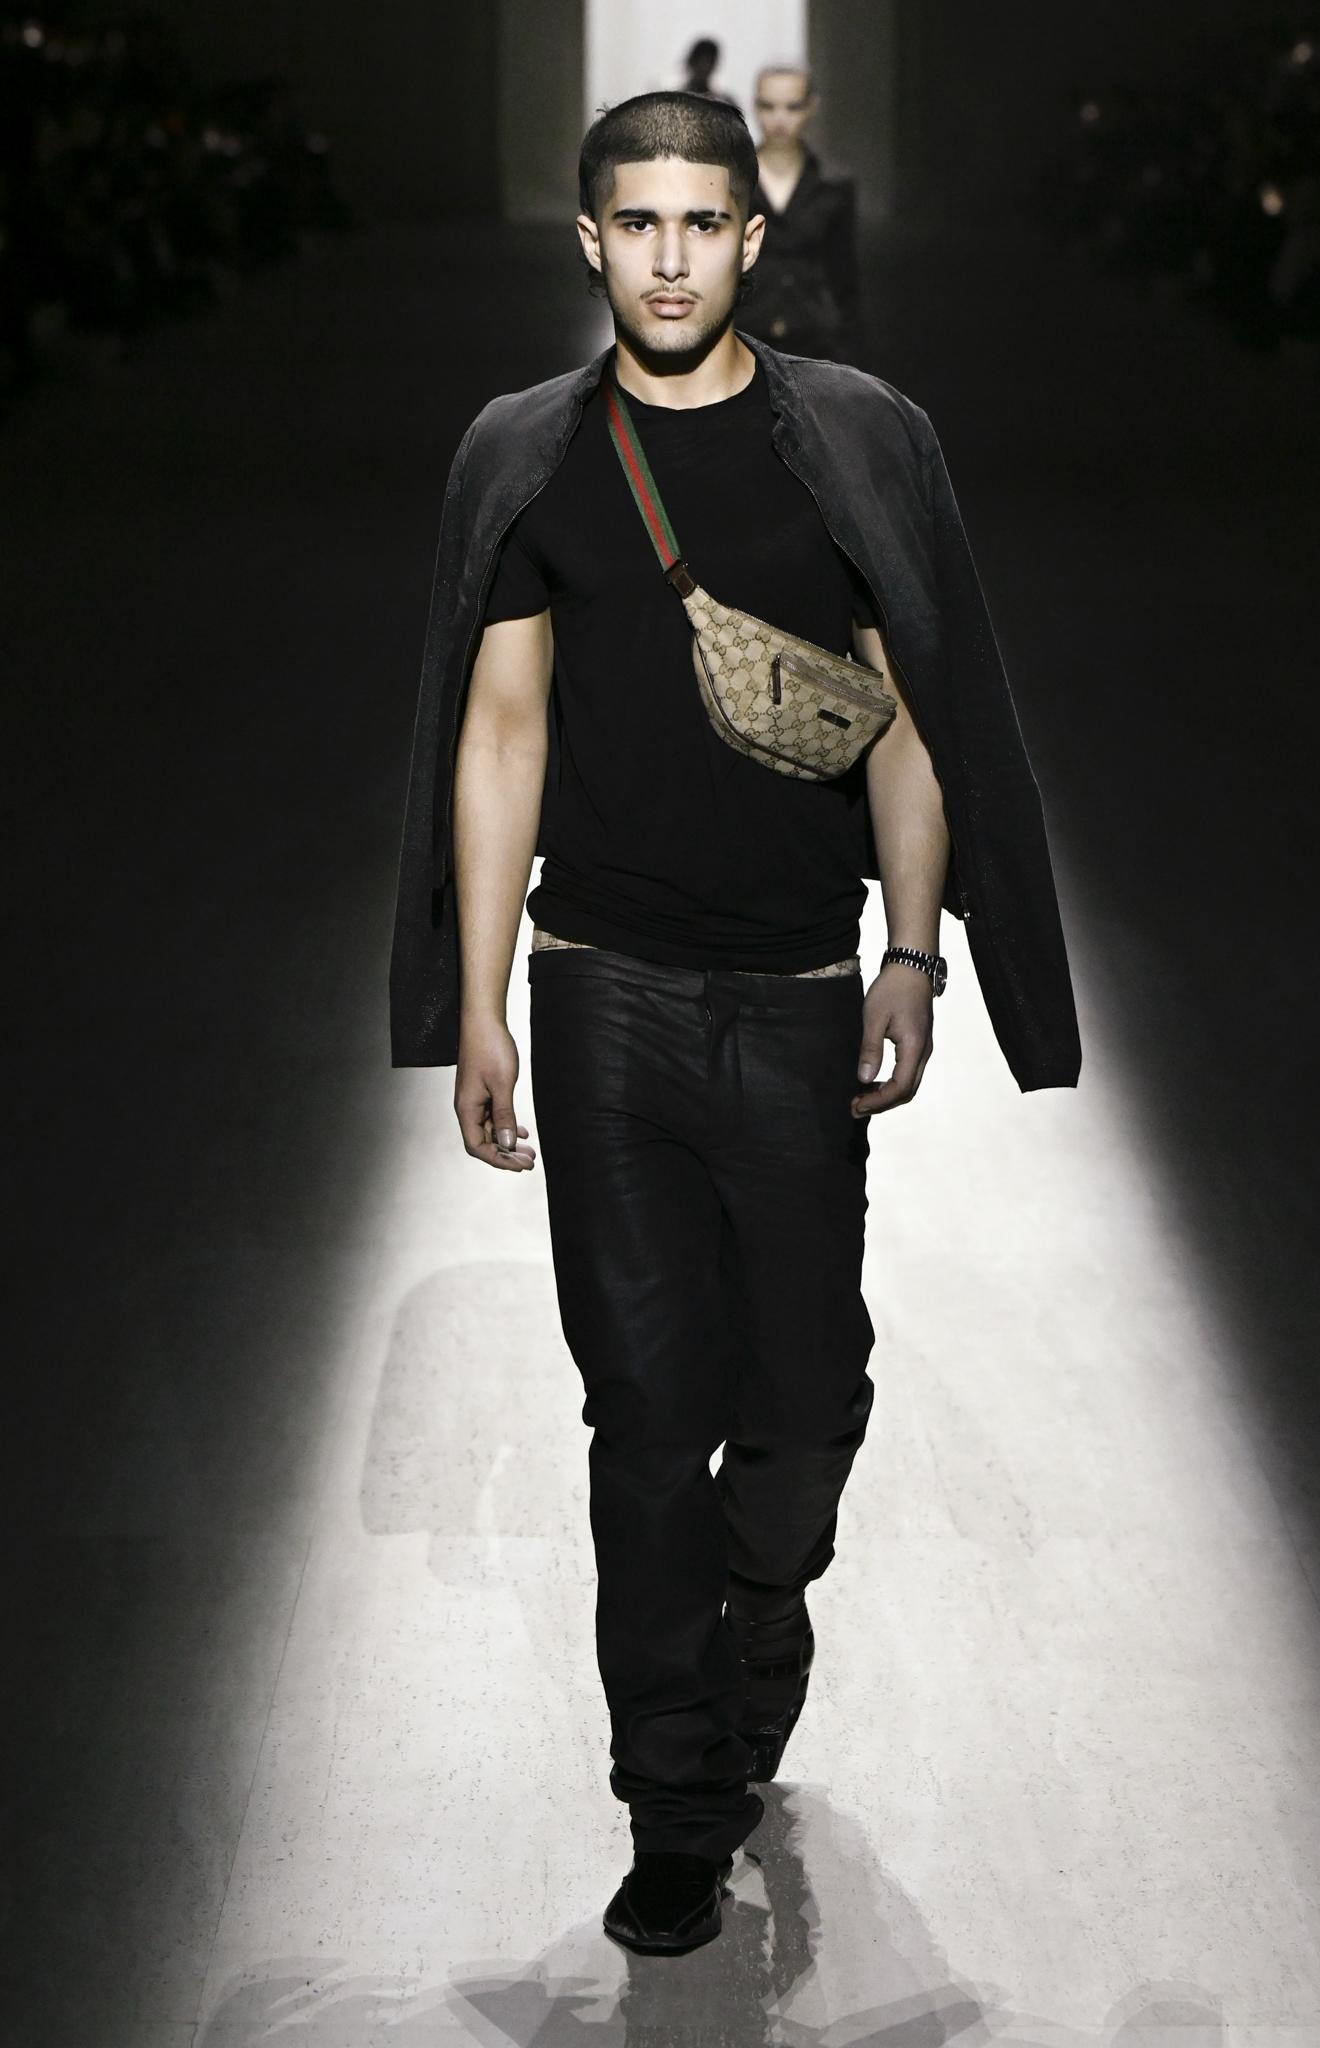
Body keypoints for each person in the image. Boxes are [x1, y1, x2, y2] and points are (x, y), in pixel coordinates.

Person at [388, 90, 1080, 1959]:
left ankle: (761, 1616)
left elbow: (909, 714)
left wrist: (914, 952)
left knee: (804, 1403)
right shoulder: (529, 455)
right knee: (642, 1417)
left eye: (706, 222)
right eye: (641, 224)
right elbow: (499, 731)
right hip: (599, 987)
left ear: (755, 237)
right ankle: (675, 1803)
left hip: (794, 995)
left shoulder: (854, 441)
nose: (673, 256)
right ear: (591, 240)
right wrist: (481, 1000)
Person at [742, 62, 861, 362]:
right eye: (768, 106)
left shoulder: (834, 186)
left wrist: (851, 353)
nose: (780, 118)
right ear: (755, 106)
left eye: (792, 107)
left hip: (816, 340)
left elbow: (843, 276)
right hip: (744, 335)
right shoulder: (735, 182)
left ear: (811, 106)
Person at [680, 35, 740, 109]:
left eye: (709, 62)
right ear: (692, 62)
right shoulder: (676, 101)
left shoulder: (725, 103)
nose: (705, 67)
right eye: (701, 61)